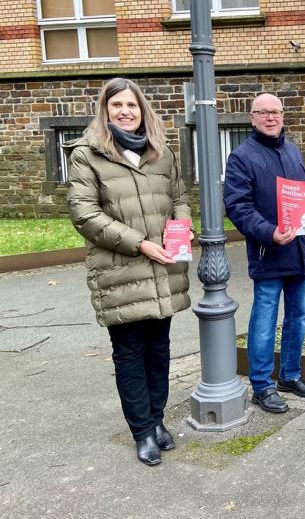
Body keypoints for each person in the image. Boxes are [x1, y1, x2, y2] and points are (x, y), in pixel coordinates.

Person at [65, 78, 192, 467]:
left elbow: (180, 198)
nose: (125, 111)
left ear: (143, 111)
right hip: (120, 272)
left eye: (131, 105)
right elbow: (84, 214)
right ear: (105, 110)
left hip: (163, 271)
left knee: (159, 351)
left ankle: (156, 420)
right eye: (116, 105)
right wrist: (140, 243)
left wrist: (180, 231)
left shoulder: (161, 153)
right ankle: (142, 431)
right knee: (130, 354)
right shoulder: (88, 155)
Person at [223, 93, 305, 414]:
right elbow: (238, 207)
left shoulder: (292, 150)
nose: (270, 117)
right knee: (264, 321)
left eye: (276, 112)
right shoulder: (242, 157)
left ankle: (290, 376)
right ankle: (262, 386)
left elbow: (303, 196)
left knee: (298, 319)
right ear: (251, 118)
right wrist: (269, 232)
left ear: (283, 115)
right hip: (270, 253)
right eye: (263, 112)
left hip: (303, 252)